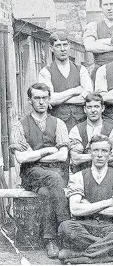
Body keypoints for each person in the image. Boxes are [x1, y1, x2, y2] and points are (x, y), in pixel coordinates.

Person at [10, 83, 70, 259]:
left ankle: (50, 240)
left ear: (49, 100)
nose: (41, 102)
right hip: (31, 174)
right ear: (30, 100)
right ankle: (65, 230)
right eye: (37, 98)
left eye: (45, 98)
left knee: (46, 192)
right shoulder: (19, 126)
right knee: (54, 179)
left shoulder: (58, 124)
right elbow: (21, 159)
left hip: (54, 172)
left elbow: (63, 156)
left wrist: (34, 154)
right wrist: (47, 150)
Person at [58, 134, 113, 264]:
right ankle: (109, 253)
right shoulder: (78, 177)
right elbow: (75, 210)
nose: (100, 155)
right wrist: (106, 203)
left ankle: (80, 255)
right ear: (90, 152)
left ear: (110, 154)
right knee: (65, 227)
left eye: (104, 151)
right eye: (96, 150)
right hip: (86, 227)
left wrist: (88, 206)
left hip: (110, 228)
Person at [38, 31, 93, 131]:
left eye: (65, 45)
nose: (62, 49)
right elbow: (49, 100)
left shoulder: (81, 69)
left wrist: (58, 98)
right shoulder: (45, 72)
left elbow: (88, 97)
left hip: (81, 123)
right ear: (51, 48)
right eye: (58, 46)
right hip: (56, 125)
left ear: (70, 46)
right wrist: (75, 91)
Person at [69, 93, 113, 173]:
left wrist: (87, 156)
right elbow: (75, 159)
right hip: (82, 174)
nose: (93, 110)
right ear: (85, 109)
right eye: (89, 107)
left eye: (96, 107)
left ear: (102, 108)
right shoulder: (76, 130)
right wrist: (102, 155)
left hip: (106, 173)